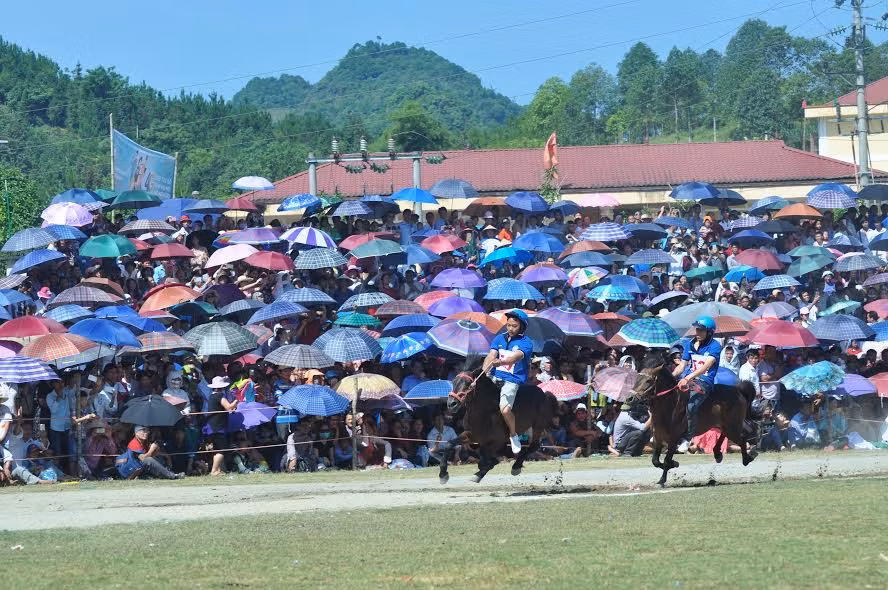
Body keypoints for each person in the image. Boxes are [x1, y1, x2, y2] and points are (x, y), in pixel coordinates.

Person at [482, 309, 534, 454]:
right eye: (508, 325)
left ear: (522, 327)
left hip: (512, 380)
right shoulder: (499, 338)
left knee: (505, 410)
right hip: (494, 377)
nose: (510, 328)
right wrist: (485, 370)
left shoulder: (526, 342)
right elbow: (491, 355)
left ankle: (513, 435)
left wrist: (502, 361)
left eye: (514, 326)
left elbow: (515, 357)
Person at [673, 315, 721, 452]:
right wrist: (671, 376)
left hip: (705, 382)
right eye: (697, 329)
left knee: (690, 404)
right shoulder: (689, 344)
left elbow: (705, 367)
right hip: (689, 379)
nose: (697, 332)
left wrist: (687, 379)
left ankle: (688, 439)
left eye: (701, 330)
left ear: (709, 332)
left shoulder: (715, 346)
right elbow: (681, 367)